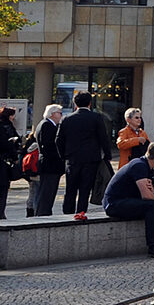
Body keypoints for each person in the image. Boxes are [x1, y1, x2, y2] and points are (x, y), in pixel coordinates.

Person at [102, 141, 154, 257]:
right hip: (115, 203)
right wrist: (152, 192)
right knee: (152, 205)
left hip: (134, 200)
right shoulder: (139, 165)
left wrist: (153, 192)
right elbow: (147, 196)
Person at [57, 92, 111, 220]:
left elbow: (58, 139)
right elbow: (103, 138)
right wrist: (107, 155)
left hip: (72, 159)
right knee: (85, 189)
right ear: (90, 103)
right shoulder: (96, 117)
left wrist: (63, 155)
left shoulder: (67, 118)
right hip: (91, 159)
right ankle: (81, 213)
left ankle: (67, 213)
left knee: (70, 189)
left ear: (75, 103)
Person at [29, 104, 66, 216]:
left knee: (47, 191)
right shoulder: (47, 125)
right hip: (50, 164)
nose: (61, 115)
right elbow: (49, 146)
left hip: (50, 164)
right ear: (52, 114)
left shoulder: (46, 124)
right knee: (47, 192)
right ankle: (43, 213)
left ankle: (43, 212)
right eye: (59, 113)